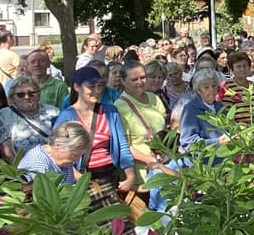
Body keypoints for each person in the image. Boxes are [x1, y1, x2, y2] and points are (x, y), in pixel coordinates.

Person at [55, 68, 136, 199]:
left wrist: (130, 175)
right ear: (76, 87)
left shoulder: (111, 111)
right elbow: (59, 152)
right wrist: (81, 180)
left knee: (115, 217)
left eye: (100, 86)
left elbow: (122, 145)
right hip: (82, 176)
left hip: (110, 174)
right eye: (91, 87)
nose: (97, 91)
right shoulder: (67, 116)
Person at [116, 62, 168, 174]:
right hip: (144, 169)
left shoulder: (154, 98)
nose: (140, 82)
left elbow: (164, 130)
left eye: (143, 77)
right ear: (123, 81)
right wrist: (151, 160)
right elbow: (126, 146)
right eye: (134, 79)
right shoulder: (120, 107)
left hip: (164, 161)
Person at [0, 74, 59, 163]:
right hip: (21, 169)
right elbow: (7, 153)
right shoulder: (5, 115)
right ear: (12, 97)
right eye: (20, 94)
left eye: (31, 93)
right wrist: (23, 175)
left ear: (38, 94)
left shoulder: (53, 112)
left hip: (52, 166)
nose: (27, 97)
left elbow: (61, 143)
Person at [17, 122, 91, 185]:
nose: (77, 160)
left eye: (80, 156)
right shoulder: (38, 163)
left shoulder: (65, 162)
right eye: (75, 155)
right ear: (58, 145)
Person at [179, 68, 229, 150]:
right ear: (198, 90)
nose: (211, 90)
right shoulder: (191, 109)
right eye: (206, 87)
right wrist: (217, 142)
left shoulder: (220, 105)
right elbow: (187, 142)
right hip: (204, 159)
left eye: (213, 86)